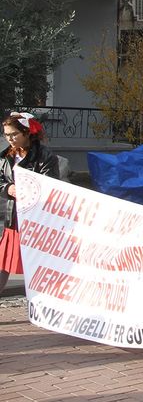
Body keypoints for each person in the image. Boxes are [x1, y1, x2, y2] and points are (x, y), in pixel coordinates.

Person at [0, 112, 58, 294]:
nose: (9, 139)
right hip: (13, 219)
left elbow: (51, 186)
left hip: (36, 220)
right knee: (3, 263)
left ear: (26, 132)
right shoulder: (4, 157)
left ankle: (48, 304)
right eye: (6, 135)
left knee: (41, 264)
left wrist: (27, 189)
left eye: (13, 134)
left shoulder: (45, 156)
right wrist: (8, 188)